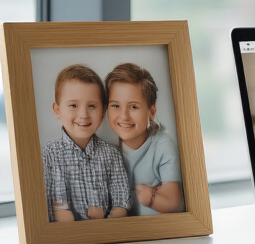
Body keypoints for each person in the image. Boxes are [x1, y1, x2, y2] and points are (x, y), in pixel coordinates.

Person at [42, 64, 131, 221]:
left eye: (92, 106)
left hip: (107, 230)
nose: (83, 114)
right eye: (73, 105)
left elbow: (121, 203)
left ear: (103, 111)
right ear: (57, 110)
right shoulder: (50, 154)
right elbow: (56, 207)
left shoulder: (112, 154)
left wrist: (106, 221)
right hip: (68, 233)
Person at [105, 63, 184, 215]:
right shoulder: (108, 151)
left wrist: (148, 198)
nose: (124, 116)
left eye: (134, 107)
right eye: (115, 106)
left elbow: (173, 203)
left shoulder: (163, 145)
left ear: (151, 112)